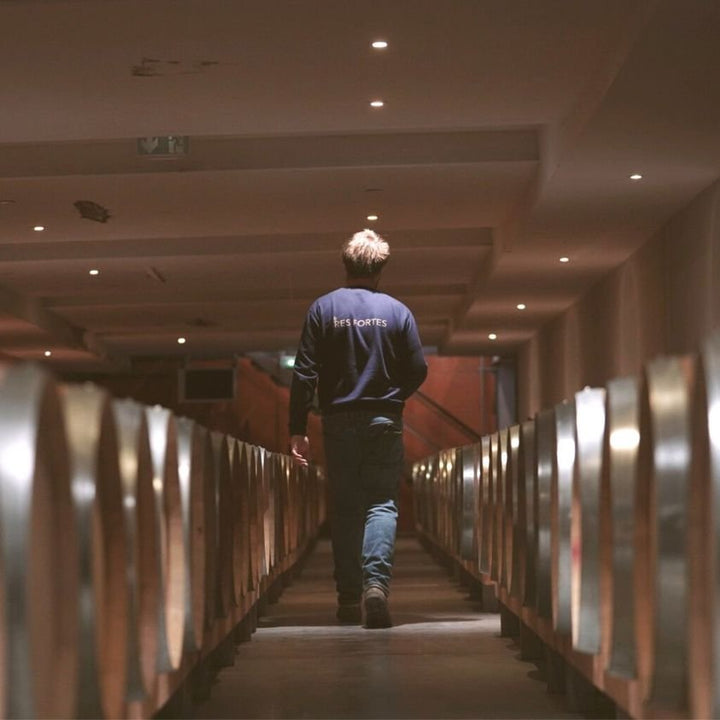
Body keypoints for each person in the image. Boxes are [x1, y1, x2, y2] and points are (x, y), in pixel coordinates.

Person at [288, 229, 427, 629]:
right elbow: (418, 368)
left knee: (347, 507)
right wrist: (395, 396)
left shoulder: (323, 308)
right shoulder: (397, 311)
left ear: (345, 264)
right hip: (385, 419)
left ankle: (349, 598)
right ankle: (376, 588)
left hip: (337, 420)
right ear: (381, 268)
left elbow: (303, 373)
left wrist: (298, 426)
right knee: (381, 503)